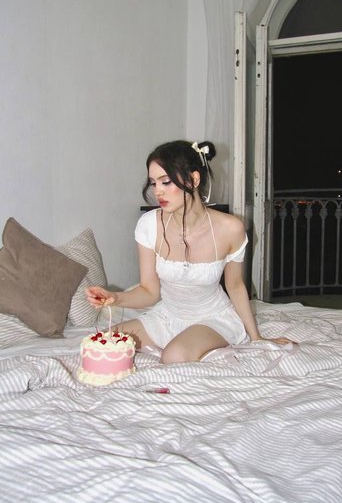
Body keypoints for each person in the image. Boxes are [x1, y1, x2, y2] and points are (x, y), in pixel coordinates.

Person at [86, 139, 290, 364]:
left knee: (174, 356)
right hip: (167, 316)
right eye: (153, 183)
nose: (158, 192)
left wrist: (256, 337)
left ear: (194, 179)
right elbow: (149, 291)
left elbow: (235, 286)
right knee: (103, 343)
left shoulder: (230, 228)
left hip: (212, 319)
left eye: (166, 182)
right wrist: (115, 298)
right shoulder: (148, 225)